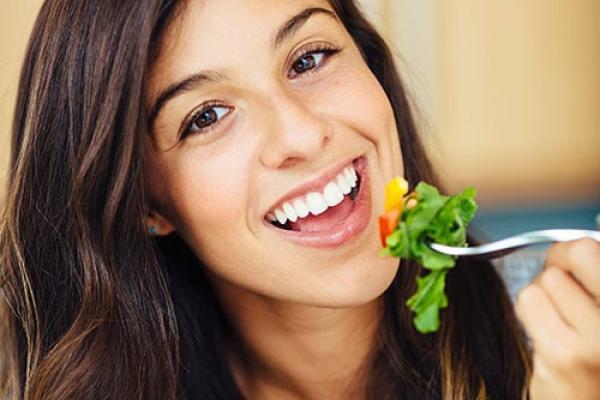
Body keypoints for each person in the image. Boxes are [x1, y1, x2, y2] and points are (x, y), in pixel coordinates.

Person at [1, 1, 598, 399]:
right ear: (144, 202)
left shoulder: (569, 343)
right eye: (207, 117)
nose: (301, 134)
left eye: (309, 59)